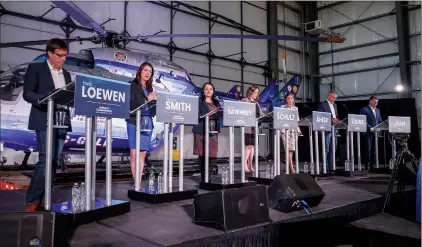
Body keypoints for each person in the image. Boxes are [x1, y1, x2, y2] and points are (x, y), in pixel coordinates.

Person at [23, 38, 72, 212]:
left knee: (53, 161)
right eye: (60, 55)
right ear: (49, 53)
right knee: (45, 159)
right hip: (44, 118)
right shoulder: (36, 68)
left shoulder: (66, 74)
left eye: (65, 55)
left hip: (61, 120)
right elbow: (27, 93)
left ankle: (46, 198)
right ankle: (33, 200)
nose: (63, 59)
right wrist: (43, 99)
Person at [127, 62, 157, 189]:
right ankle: (137, 183)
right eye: (145, 70)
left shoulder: (151, 89)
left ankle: (138, 182)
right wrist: (147, 99)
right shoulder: (132, 85)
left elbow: (153, 110)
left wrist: (156, 103)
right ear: (140, 71)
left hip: (147, 122)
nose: (147, 73)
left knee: (142, 154)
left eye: (150, 72)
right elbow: (130, 104)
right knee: (134, 153)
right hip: (134, 121)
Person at [192, 83, 221, 182]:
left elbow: (219, 115)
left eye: (211, 89)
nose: (208, 91)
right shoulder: (199, 102)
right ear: (203, 91)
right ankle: (204, 179)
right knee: (203, 155)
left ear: (213, 91)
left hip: (213, 131)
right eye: (206, 89)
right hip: (201, 131)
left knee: (212, 155)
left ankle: (208, 178)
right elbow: (195, 114)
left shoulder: (216, 103)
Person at [241, 85, 264, 173]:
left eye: (257, 93)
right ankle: (244, 164)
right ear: (250, 92)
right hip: (247, 127)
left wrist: (269, 115)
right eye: (255, 92)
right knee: (249, 146)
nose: (256, 94)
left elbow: (261, 114)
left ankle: (250, 164)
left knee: (252, 147)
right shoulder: (245, 100)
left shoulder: (256, 103)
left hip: (255, 127)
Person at [316, 90, 339, 171]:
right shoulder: (322, 105)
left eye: (335, 98)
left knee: (333, 149)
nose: (334, 99)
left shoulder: (335, 105)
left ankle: (332, 167)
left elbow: (335, 116)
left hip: (334, 129)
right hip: (326, 130)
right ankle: (325, 167)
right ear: (329, 96)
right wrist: (330, 120)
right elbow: (319, 117)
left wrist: (337, 121)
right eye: (333, 97)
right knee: (326, 149)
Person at [359, 96, 382, 170]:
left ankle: (372, 165)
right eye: (374, 102)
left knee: (374, 150)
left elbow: (379, 120)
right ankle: (367, 165)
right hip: (367, 132)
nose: (376, 103)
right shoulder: (364, 109)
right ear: (370, 101)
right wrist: (370, 128)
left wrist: (379, 127)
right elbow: (362, 120)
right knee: (368, 149)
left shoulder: (377, 110)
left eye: (377, 102)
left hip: (375, 133)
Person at [281, 93, 301, 174]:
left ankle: (289, 166)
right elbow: (280, 119)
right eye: (288, 98)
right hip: (285, 130)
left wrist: (299, 130)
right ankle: (291, 167)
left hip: (293, 130)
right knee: (287, 149)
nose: (290, 100)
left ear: (293, 100)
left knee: (291, 150)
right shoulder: (282, 107)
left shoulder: (295, 108)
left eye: (291, 98)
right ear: (286, 99)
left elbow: (297, 120)